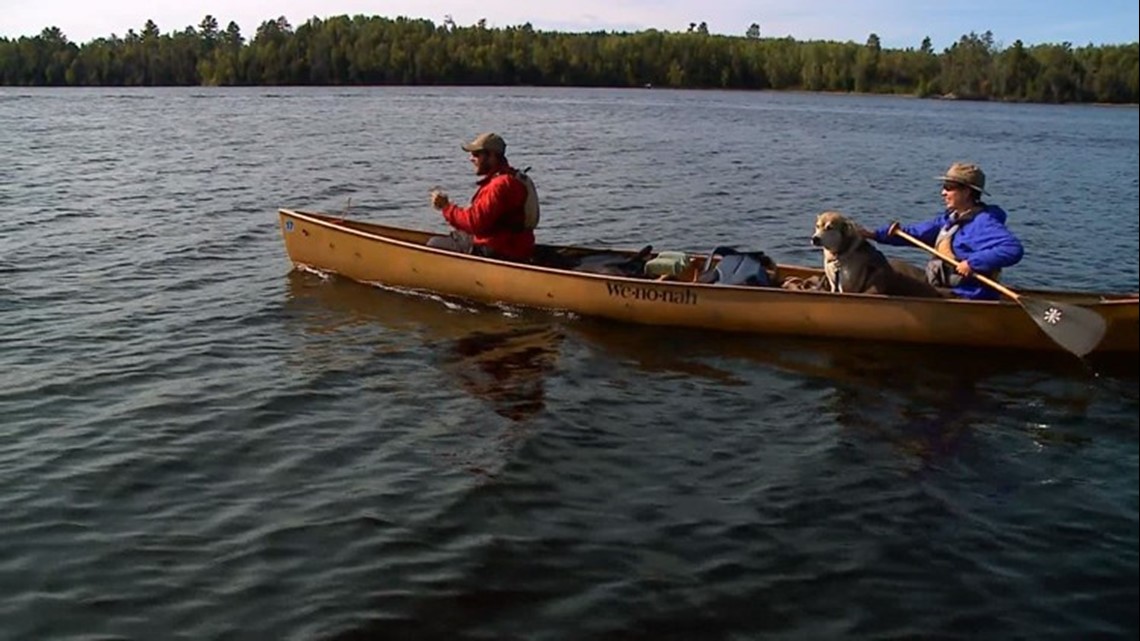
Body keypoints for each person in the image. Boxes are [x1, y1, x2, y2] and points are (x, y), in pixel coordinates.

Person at [861, 162, 1024, 300]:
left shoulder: (984, 223)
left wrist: (972, 263)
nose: (943, 192)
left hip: (963, 294)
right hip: (939, 285)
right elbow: (916, 233)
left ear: (967, 192)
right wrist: (874, 234)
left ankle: (864, 307)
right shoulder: (951, 219)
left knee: (888, 276)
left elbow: (1012, 249)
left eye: (949, 187)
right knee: (888, 266)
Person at [427, 132, 535, 262]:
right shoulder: (510, 179)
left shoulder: (499, 185)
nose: (471, 159)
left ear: (492, 156)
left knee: (433, 244)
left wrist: (446, 207)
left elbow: (475, 223)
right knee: (460, 236)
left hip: (498, 250)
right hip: (514, 247)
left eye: (476, 154)